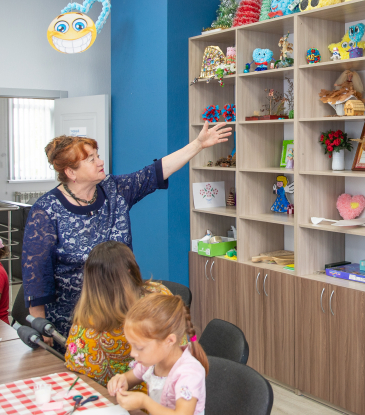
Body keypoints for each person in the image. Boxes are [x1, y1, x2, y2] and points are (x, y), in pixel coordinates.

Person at [22, 122, 230, 344]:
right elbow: (37, 275)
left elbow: (155, 172)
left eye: (97, 155)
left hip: (123, 318)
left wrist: (198, 144)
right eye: (91, 159)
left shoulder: (114, 190)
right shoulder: (46, 210)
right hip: (74, 325)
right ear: (71, 172)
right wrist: (41, 326)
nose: (100, 161)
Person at [107, 293, 209, 415]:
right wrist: (119, 381)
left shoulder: (188, 373)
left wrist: (144, 401)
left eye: (139, 347)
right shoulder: (153, 361)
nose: (133, 353)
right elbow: (129, 379)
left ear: (169, 340)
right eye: (131, 345)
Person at [65, 240, 173, 388]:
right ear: (130, 270)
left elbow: (78, 371)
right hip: (166, 390)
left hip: (123, 397)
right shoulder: (160, 294)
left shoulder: (88, 326)